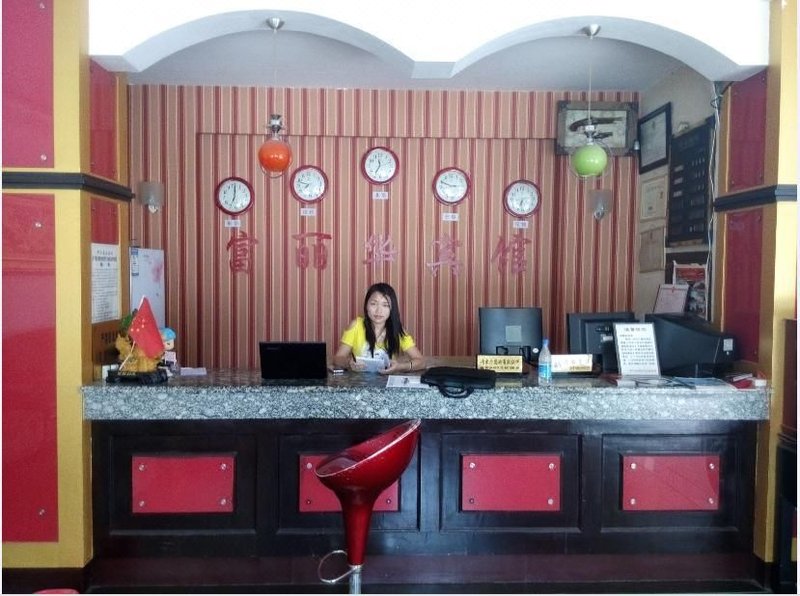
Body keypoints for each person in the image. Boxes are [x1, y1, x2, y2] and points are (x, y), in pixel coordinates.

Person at [333, 282, 424, 374]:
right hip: (358, 380)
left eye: (385, 305)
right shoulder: (356, 325)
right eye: (373, 304)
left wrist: (399, 367)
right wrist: (349, 363)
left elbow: (420, 361)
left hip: (387, 380)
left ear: (392, 309)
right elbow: (338, 358)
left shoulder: (397, 330)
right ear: (366, 305)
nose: (379, 311)